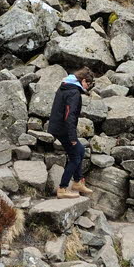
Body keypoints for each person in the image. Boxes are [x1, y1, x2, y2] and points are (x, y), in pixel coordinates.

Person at [47, 67, 95, 199]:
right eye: (88, 84)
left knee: (80, 150)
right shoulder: (74, 92)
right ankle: (62, 189)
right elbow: (70, 115)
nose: (88, 88)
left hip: (57, 126)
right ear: (84, 80)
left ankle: (78, 182)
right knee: (75, 156)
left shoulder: (65, 86)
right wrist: (72, 136)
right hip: (63, 129)